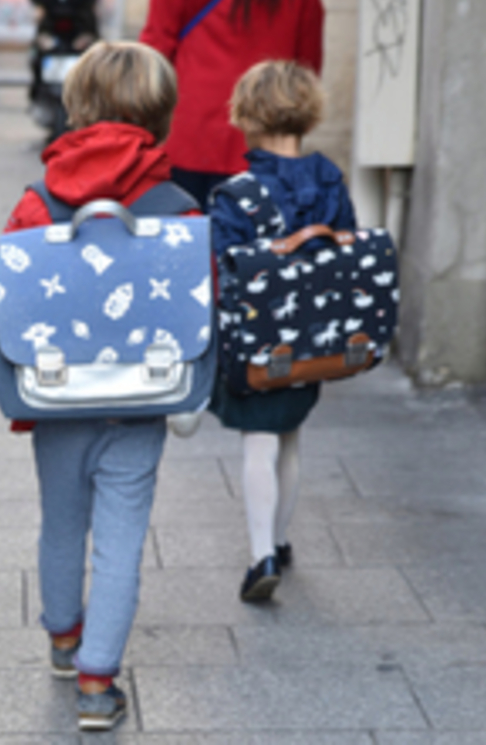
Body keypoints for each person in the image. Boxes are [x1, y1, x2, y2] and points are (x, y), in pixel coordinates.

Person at [0, 41, 193, 732]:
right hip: (141, 398)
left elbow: (0, 290)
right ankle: (97, 683)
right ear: (160, 114)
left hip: (57, 396)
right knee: (120, 540)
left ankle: (62, 636)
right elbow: (201, 299)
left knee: (61, 520)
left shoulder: (38, 200)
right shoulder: (176, 205)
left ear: (76, 107)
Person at [207, 60, 355, 603]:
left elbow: (221, 273)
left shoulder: (235, 194)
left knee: (259, 441)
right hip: (314, 336)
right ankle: (281, 538)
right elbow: (347, 248)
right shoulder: (330, 180)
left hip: (256, 341)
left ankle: (260, 555)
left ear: (246, 115)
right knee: (289, 434)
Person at [139, 0, 323, 205]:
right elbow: (307, 64)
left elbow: (157, 44)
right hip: (267, 136)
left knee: (189, 227)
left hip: (190, 133)